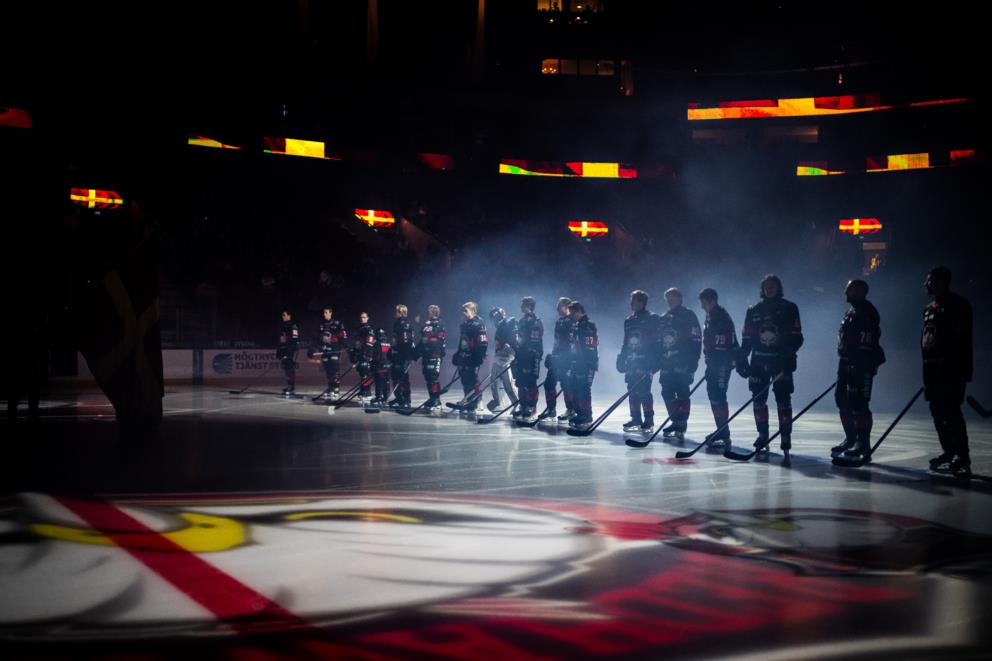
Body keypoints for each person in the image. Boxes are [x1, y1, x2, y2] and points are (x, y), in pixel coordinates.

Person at [737, 275, 803, 460]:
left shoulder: (789, 308)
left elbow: (797, 337)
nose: (769, 289)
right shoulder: (753, 310)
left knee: (783, 400)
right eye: (766, 286)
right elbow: (747, 339)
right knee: (758, 400)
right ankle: (762, 435)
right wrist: (741, 360)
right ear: (762, 289)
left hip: (780, 362)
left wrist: (789, 356)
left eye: (773, 286)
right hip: (758, 363)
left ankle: (785, 436)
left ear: (778, 288)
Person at [921, 266, 973, 478]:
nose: (926, 284)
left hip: (951, 369)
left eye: (930, 280)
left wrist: (961, 371)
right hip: (932, 369)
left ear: (942, 282)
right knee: (937, 412)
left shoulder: (958, 305)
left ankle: (962, 456)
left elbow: (962, 341)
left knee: (952, 413)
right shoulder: (929, 308)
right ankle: (948, 451)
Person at [831, 280, 885, 461]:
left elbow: (868, 341)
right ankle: (851, 438)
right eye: (847, 288)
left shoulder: (868, 312)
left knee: (859, 404)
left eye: (850, 289)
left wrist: (861, 363)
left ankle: (863, 444)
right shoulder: (850, 311)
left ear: (860, 291)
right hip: (845, 363)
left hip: (861, 364)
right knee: (842, 400)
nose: (846, 291)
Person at [657, 288, 702, 441]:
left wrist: (693, 362)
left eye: (673, 298)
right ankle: (676, 420)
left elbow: (696, 339)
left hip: (683, 362)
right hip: (666, 362)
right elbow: (659, 341)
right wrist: (656, 360)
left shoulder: (688, 315)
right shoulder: (664, 318)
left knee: (682, 392)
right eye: (668, 299)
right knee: (666, 392)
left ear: (680, 299)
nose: (670, 301)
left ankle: (681, 423)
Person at [698, 288, 738, 449]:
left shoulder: (721, 316)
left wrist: (719, 360)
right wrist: (709, 360)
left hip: (722, 362)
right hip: (714, 362)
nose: (702, 306)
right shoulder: (710, 315)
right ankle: (721, 430)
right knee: (713, 393)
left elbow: (727, 341)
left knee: (719, 394)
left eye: (704, 303)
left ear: (712, 301)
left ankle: (724, 432)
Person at [617, 290, 661, 433]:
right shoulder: (629, 320)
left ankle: (649, 420)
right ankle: (635, 418)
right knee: (632, 390)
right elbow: (625, 342)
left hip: (645, 361)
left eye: (634, 301)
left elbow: (657, 342)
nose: (631, 303)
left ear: (642, 302)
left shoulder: (653, 318)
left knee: (644, 391)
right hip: (632, 361)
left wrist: (655, 362)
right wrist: (621, 358)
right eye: (631, 300)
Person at [566, 301, 598, 429]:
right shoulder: (576, 325)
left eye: (572, 313)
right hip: (576, 362)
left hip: (586, 363)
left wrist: (588, 363)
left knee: (584, 389)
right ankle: (579, 413)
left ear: (579, 311)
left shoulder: (588, 325)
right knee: (574, 387)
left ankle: (587, 415)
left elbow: (590, 346)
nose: (570, 315)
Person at [453, 301, 489, 414]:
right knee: (464, 379)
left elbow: (483, 341)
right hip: (463, 356)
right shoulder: (464, 325)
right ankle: (468, 401)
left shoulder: (479, 323)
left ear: (473, 311)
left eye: (466, 311)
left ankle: (476, 401)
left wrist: (479, 355)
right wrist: (458, 354)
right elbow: (462, 341)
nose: (463, 313)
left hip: (473, 356)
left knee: (473, 379)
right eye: (463, 311)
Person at [545, 297, 575, 425]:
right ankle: (551, 410)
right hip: (556, 357)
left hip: (567, 358)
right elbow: (556, 341)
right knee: (549, 383)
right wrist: (552, 355)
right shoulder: (559, 322)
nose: (557, 309)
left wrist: (570, 359)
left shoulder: (573, 321)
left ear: (567, 306)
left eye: (560, 306)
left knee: (566, 384)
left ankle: (571, 409)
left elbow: (573, 343)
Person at [513, 297, 544, 421]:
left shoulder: (536, 321)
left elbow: (535, 341)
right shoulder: (521, 321)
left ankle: (532, 407)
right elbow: (519, 338)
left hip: (532, 356)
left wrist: (534, 355)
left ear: (529, 306)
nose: (521, 307)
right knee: (520, 382)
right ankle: (523, 405)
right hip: (521, 355)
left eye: (523, 305)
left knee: (531, 382)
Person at [487, 307, 518, 411]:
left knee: (505, 381)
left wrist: (512, 352)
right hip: (502, 355)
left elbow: (514, 340)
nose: (494, 320)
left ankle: (514, 403)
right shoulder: (501, 327)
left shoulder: (508, 323)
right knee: (496, 379)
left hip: (506, 354)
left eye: (495, 317)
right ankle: (500, 402)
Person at [418, 305, 447, 413]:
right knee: (428, 377)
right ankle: (432, 398)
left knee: (433, 377)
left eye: (430, 311)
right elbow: (422, 337)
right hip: (426, 354)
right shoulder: (426, 325)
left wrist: (429, 341)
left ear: (434, 312)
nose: (428, 313)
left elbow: (440, 340)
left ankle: (437, 401)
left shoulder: (440, 324)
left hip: (435, 354)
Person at [315, 307, 347, 398]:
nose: (324, 314)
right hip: (325, 350)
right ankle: (330, 387)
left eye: (326, 312)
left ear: (330, 313)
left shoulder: (337, 324)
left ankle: (336, 387)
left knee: (335, 370)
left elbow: (343, 336)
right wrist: (314, 348)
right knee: (328, 370)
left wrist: (345, 346)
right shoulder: (321, 324)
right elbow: (317, 338)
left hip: (334, 350)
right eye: (324, 312)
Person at [390, 304, 415, 408]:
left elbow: (407, 342)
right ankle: (399, 397)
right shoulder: (397, 323)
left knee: (403, 377)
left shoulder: (405, 324)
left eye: (397, 311)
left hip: (403, 354)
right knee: (395, 376)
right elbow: (395, 340)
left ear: (401, 312)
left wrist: (406, 356)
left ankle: (406, 399)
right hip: (397, 353)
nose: (395, 313)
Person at [350, 312, 377, 403]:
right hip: (360, 354)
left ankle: (367, 393)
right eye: (361, 317)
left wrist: (367, 355)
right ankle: (363, 390)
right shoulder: (359, 329)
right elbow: (357, 342)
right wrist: (354, 353)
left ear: (367, 318)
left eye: (364, 317)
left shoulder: (369, 329)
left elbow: (369, 343)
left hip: (366, 355)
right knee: (362, 373)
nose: (362, 319)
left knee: (366, 373)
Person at [277, 309, 300, 396]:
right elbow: (281, 340)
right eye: (282, 315)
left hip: (291, 350)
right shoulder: (283, 326)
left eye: (284, 315)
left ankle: (291, 387)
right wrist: (280, 350)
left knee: (290, 368)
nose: (283, 317)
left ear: (289, 316)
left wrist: (289, 351)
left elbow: (294, 339)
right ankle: (289, 385)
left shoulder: (293, 326)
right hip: (285, 349)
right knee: (286, 368)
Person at [372, 327, 392, 407]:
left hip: (380, 365)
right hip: (388, 365)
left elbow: (376, 355)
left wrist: (373, 364)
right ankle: (386, 397)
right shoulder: (388, 343)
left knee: (379, 381)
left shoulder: (377, 343)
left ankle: (378, 397)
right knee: (386, 382)